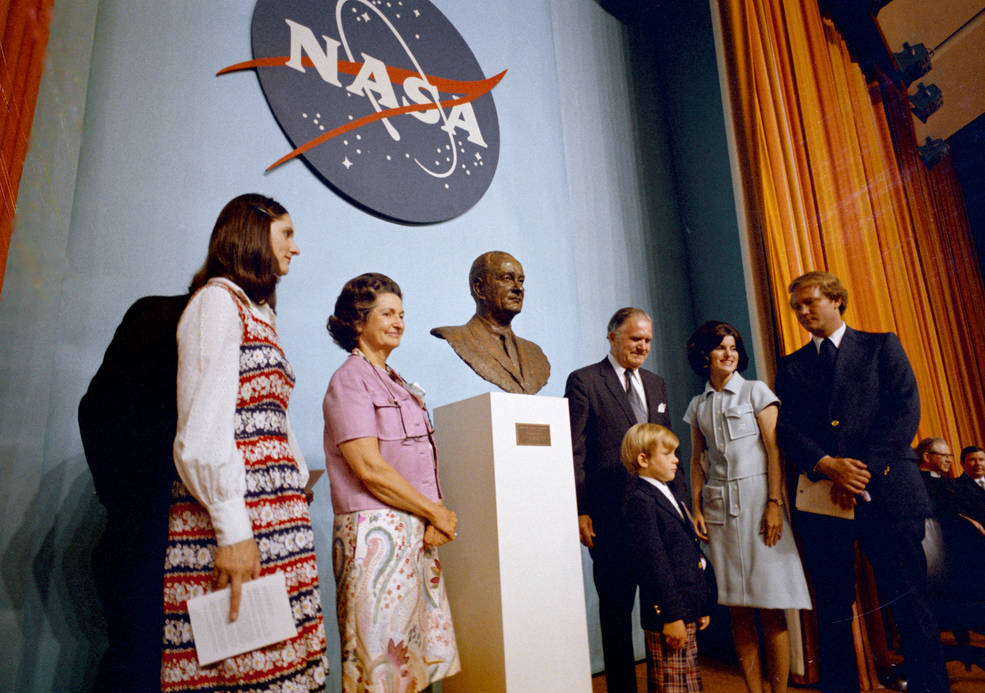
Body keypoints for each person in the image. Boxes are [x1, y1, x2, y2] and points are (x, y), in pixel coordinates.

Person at [162, 194, 329, 690]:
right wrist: (233, 530)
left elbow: (271, 417)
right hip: (241, 517)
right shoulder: (216, 303)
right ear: (254, 235)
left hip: (278, 519)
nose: (296, 249)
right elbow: (202, 431)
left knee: (284, 662)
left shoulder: (260, 313)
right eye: (287, 234)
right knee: (244, 663)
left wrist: (295, 479)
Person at [774, 271, 947, 693]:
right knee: (832, 607)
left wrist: (856, 470)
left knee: (908, 600)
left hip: (888, 491)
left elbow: (904, 412)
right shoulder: (791, 366)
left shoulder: (881, 345)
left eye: (810, 302)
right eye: (796, 306)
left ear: (836, 300)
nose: (802, 312)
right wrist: (828, 465)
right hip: (822, 497)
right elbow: (788, 429)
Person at [323, 272, 460, 692]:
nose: (399, 321)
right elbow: (369, 468)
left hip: (411, 532)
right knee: (380, 669)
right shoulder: (350, 379)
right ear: (358, 321)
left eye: (401, 313)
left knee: (412, 666)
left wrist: (431, 517)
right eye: (387, 313)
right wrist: (436, 510)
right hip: (375, 539)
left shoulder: (396, 380)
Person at [684, 321, 810, 693]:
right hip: (719, 508)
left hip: (759, 504)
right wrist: (696, 506)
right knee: (737, 607)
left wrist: (774, 504)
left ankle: (779, 691)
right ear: (704, 355)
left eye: (734, 348)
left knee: (771, 605)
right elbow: (696, 461)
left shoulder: (757, 392)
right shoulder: (697, 405)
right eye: (721, 348)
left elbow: (774, 452)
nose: (729, 354)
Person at [565, 307, 679, 693]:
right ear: (612, 337)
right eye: (635, 339)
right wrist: (579, 509)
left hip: (657, 517)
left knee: (661, 607)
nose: (642, 346)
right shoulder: (584, 381)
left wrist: (680, 508)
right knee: (615, 615)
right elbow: (574, 451)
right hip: (610, 519)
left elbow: (667, 453)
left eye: (647, 340)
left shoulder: (656, 383)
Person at [79, 293, 188, 692]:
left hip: (151, 527)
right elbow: (99, 412)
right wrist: (132, 501)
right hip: (149, 533)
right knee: (141, 663)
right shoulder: (169, 317)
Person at [621, 423, 715, 693]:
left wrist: (700, 606)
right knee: (671, 685)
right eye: (668, 454)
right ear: (643, 459)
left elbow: (686, 555)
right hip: (670, 614)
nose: (676, 460)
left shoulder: (669, 494)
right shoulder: (641, 501)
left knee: (688, 683)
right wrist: (672, 616)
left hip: (686, 609)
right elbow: (654, 564)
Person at [430, 250, 550, 394]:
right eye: (507, 278)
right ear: (479, 288)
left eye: (521, 281)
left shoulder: (534, 353)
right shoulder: (459, 337)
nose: (519, 288)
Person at [916, 437, 955, 516]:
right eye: (945, 455)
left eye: (949, 456)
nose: (949, 460)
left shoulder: (950, 482)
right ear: (927, 457)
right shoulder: (916, 482)